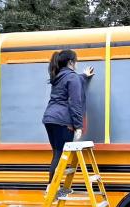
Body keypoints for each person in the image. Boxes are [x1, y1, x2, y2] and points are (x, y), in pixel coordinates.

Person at [42, 49, 94, 197]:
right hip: (62, 120)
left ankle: (52, 187)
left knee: (56, 153)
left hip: (50, 118)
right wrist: (78, 126)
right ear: (71, 62)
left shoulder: (60, 76)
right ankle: (52, 189)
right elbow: (75, 102)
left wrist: (84, 76)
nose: (77, 64)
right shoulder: (72, 77)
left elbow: (73, 82)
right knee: (60, 154)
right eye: (76, 61)